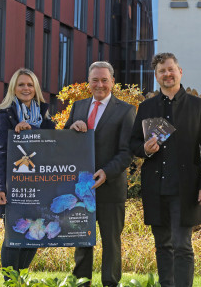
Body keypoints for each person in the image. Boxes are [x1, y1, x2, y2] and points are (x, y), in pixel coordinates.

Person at [130, 53, 201, 287]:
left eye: (170, 69)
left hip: (185, 188)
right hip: (155, 188)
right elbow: (133, 144)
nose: (167, 74)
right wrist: (144, 148)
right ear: (156, 77)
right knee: (162, 245)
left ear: (180, 71)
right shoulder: (146, 107)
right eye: (162, 71)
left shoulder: (198, 106)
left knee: (182, 246)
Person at [65, 61, 136, 287]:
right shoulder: (78, 107)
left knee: (111, 243)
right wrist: (71, 128)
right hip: (81, 189)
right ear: (88, 82)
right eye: (95, 80)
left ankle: (110, 284)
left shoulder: (125, 110)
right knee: (82, 242)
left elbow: (127, 152)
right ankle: (81, 283)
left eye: (104, 80)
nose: (100, 84)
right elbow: (64, 142)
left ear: (113, 81)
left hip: (110, 187)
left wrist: (106, 172)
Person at [0, 68, 55, 274]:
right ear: (14, 89)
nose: (26, 88)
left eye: (29, 84)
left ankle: (20, 278)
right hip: (15, 187)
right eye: (21, 85)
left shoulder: (45, 118)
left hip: (40, 187)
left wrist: (33, 132)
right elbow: (0, 154)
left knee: (35, 232)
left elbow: (52, 147)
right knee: (14, 233)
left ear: (35, 88)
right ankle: (10, 281)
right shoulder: (5, 116)